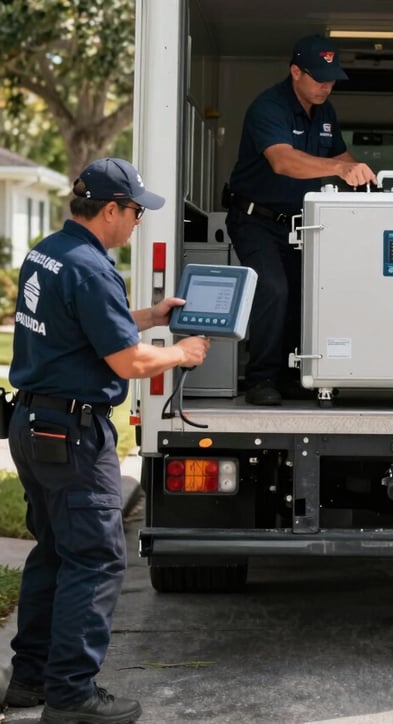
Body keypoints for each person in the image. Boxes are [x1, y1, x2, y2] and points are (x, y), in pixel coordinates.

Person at [2, 158, 210, 724]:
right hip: (72, 435)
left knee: (55, 553)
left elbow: (85, 326)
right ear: (111, 209)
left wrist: (151, 315)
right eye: (137, 210)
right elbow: (129, 360)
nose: (139, 221)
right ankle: (72, 696)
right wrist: (181, 352)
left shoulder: (48, 252)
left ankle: (30, 681)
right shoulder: (92, 269)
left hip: (33, 424)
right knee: (95, 561)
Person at [225, 34, 377, 406]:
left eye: (331, 79)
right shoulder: (269, 107)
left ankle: (291, 375)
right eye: (319, 78)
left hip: (297, 224)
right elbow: (283, 161)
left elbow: (343, 156)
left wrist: (370, 187)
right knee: (274, 289)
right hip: (255, 220)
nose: (326, 86)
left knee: (306, 294)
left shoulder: (324, 112)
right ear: (295, 72)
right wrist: (341, 169)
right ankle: (260, 379)